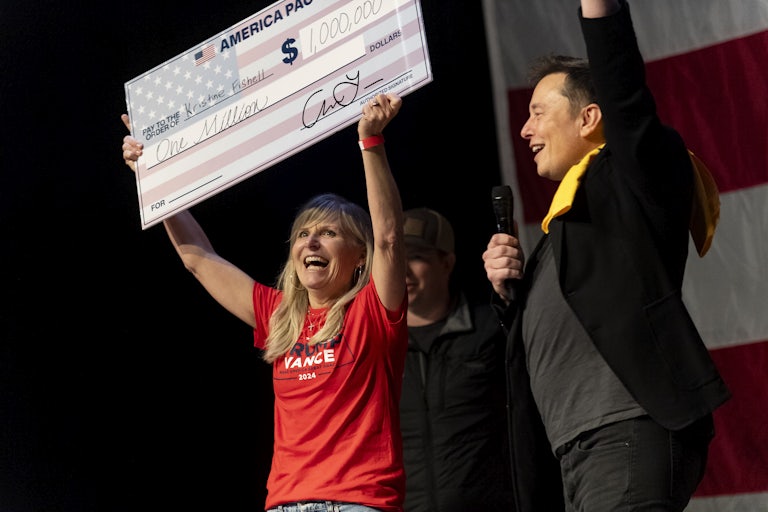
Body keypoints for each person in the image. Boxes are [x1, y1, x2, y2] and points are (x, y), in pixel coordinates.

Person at [481, 1, 731, 511]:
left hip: (626, 429)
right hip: (576, 452)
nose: (524, 131)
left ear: (591, 117)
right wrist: (512, 298)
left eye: (537, 113)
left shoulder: (635, 179)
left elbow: (624, 90)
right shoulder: (566, 229)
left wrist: (599, 9)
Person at [121, 93, 409, 512]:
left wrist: (371, 142)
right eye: (303, 233)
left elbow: (388, 237)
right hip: (285, 504)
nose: (311, 240)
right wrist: (152, 178)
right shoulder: (279, 315)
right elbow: (197, 258)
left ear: (359, 255)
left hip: (359, 502)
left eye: (329, 233)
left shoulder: (372, 311)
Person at [398, 207, 514, 511]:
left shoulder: (492, 328)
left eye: (416, 257)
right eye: (394, 259)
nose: (403, 270)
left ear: (446, 262)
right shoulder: (375, 348)